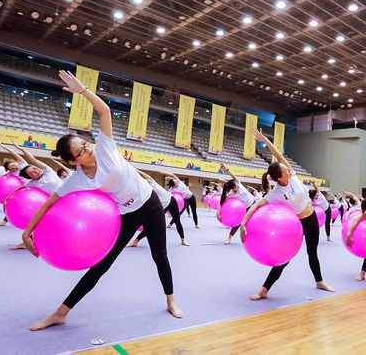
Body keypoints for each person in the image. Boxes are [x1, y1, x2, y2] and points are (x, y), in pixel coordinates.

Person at [21, 70, 183, 331]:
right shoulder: (76, 180)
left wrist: (82, 90)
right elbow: (49, 204)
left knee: (159, 255)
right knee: (102, 264)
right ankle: (61, 312)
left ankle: (171, 300)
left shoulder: (105, 148)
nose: (88, 147)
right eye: (81, 150)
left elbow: (105, 111)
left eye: (85, 142)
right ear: (73, 161)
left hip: (150, 204)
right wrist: (27, 233)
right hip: (125, 216)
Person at [239, 128, 334, 300]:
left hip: (312, 219)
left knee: (312, 253)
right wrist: (243, 223)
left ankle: (319, 281)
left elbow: (278, 155)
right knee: (284, 259)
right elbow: (256, 205)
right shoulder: (275, 193)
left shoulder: (292, 176)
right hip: (296, 225)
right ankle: (264, 290)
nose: (288, 170)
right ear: (280, 178)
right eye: (285, 170)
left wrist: (265, 140)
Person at [127, 169, 190, 247]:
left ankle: (183, 239)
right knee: (151, 224)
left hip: (171, 201)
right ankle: (135, 241)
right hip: (161, 206)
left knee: (177, 221)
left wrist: (136, 170)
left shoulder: (150, 183)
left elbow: (147, 176)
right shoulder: (141, 191)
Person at [217, 163, 256, 244]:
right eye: (235, 186)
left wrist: (226, 169)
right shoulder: (231, 195)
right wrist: (218, 213)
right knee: (238, 223)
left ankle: (251, 237)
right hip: (244, 209)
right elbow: (222, 202)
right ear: (233, 188)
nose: (237, 186)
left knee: (253, 222)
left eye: (236, 184)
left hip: (253, 204)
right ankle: (229, 238)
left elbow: (233, 176)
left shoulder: (239, 184)